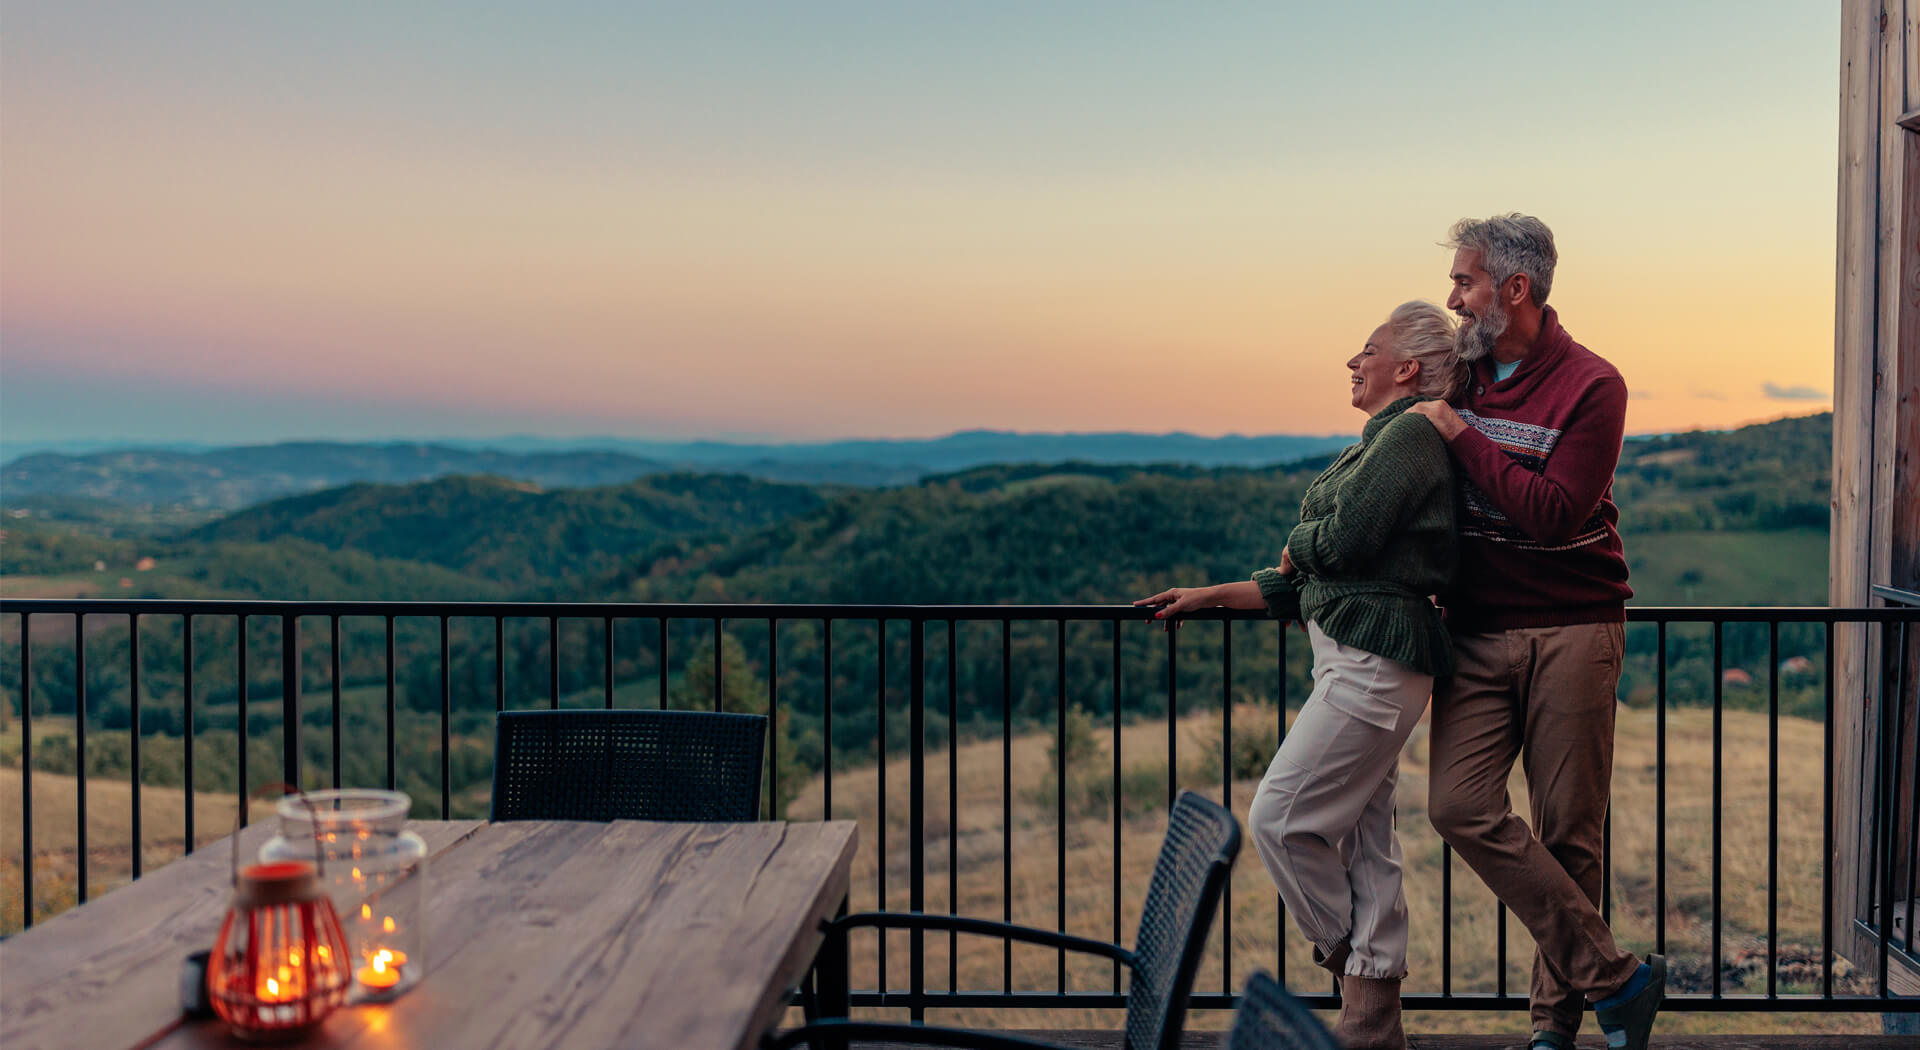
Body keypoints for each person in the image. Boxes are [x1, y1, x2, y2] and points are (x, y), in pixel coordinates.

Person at [1136, 300, 1464, 1050]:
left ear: (1406, 368)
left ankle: (1357, 970)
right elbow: (1324, 576)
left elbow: (1341, 542)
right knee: (1367, 837)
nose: (1353, 362)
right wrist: (1212, 595)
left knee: (1278, 819)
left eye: (1367, 350)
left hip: (1372, 670)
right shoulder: (1384, 441)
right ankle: (1375, 1022)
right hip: (1364, 661)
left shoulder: (1409, 435)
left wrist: (1296, 542)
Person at [1406, 214, 1663, 1050]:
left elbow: (1554, 516)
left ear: (1514, 289)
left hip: (1574, 626)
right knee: (1457, 807)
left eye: (1465, 281)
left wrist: (1461, 433)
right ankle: (1618, 981)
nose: (1453, 297)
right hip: (1476, 631)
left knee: (1568, 832)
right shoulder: (1461, 374)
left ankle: (1553, 1031)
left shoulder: (1593, 384)